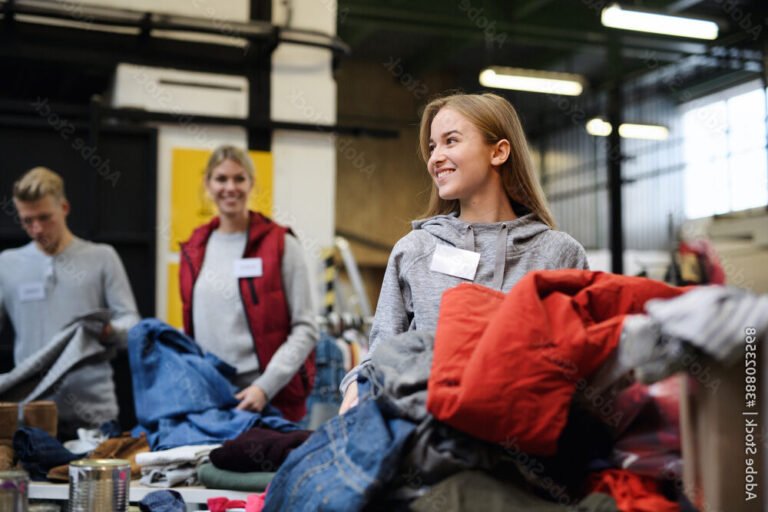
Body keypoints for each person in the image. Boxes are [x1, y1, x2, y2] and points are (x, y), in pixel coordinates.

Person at [339, 92, 590, 412]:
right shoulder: (415, 250)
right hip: (429, 439)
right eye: (432, 147)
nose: (435, 157)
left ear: (499, 152)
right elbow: (383, 354)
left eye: (451, 141)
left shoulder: (559, 255)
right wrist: (357, 387)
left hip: (526, 441)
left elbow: (579, 362)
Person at [179, 145, 318, 421]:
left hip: (272, 401)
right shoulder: (194, 249)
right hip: (213, 400)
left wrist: (264, 388)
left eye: (239, 178)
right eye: (221, 179)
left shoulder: (281, 245)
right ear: (208, 184)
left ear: (251, 183)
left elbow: (306, 328)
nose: (230, 187)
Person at [0, 167, 140, 437]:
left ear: (64, 208)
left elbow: (133, 324)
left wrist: (110, 331)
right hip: (31, 413)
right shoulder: (6, 264)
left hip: (94, 412)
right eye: (27, 221)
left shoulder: (102, 257)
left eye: (44, 218)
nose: (37, 229)